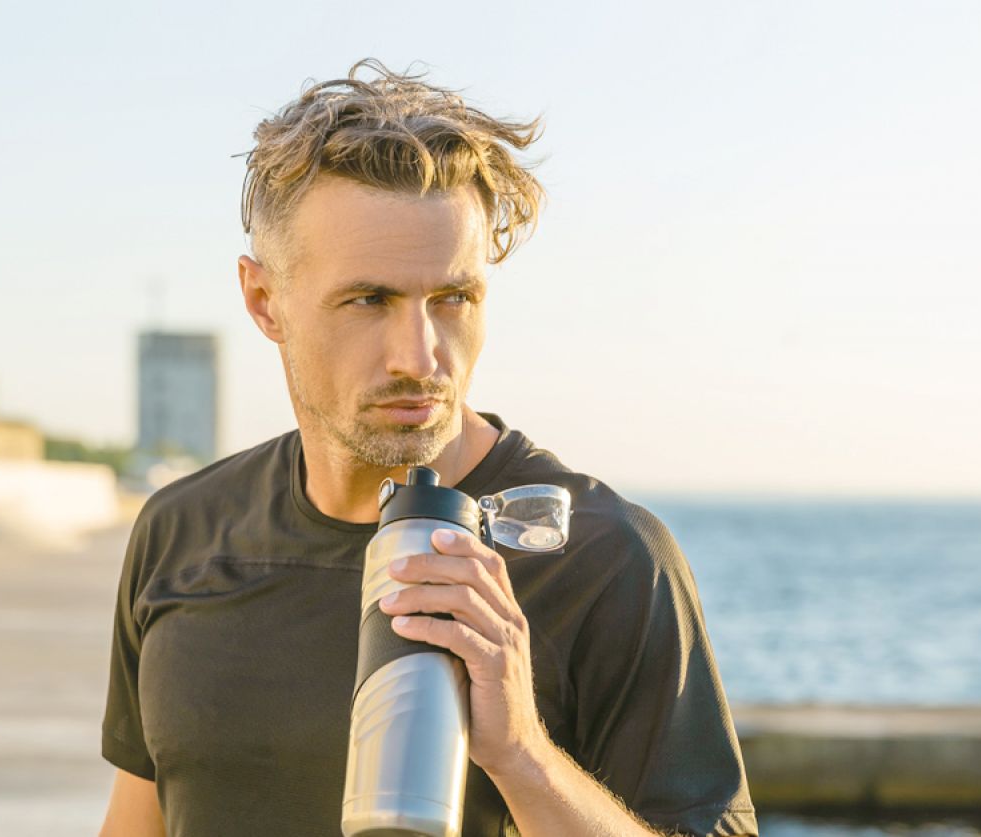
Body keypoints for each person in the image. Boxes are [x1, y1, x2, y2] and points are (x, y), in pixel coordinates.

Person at [98, 58, 758, 837]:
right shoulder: (184, 530)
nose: (420, 354)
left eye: (454, 298)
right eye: (368, 299)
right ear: (263, 299)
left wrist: (520, 752)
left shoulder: (605, 556)